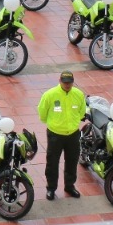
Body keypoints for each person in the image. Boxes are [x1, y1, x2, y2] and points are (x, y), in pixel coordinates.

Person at [37, 71, 85, 201]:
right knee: (52, 162)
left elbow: (82, 112)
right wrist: (54, 123)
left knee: (72, 161)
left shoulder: (78, 94)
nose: (67, 85)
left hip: (73, 134)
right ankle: (51, 188)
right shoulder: (50, 95)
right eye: (65, 82)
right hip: (55, 134)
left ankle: (69, 186)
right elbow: (42, 112)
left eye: (69, 82)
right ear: (60, 81)